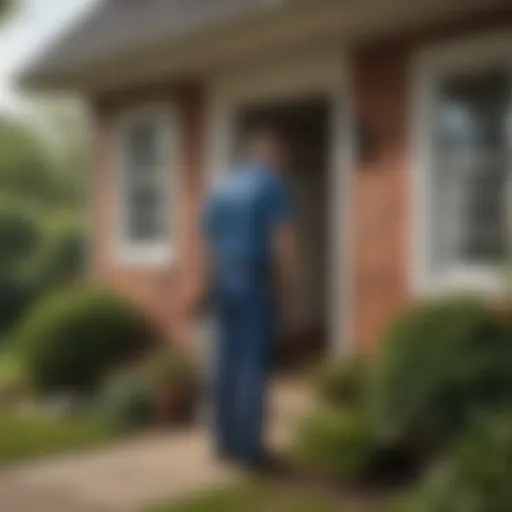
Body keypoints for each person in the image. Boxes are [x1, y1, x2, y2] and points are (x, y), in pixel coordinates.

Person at [189, 127, 299, 468]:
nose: (285, 165)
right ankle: (250, 450)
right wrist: (285, 288)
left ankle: (222, 443)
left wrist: (204, 286)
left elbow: (204, 241)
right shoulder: (271, 186)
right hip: (253, 281)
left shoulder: (221, 187)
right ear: (272, 155)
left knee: (224, 364)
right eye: (284, 159)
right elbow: (282, 240)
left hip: (223, 281)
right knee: (252, 365)